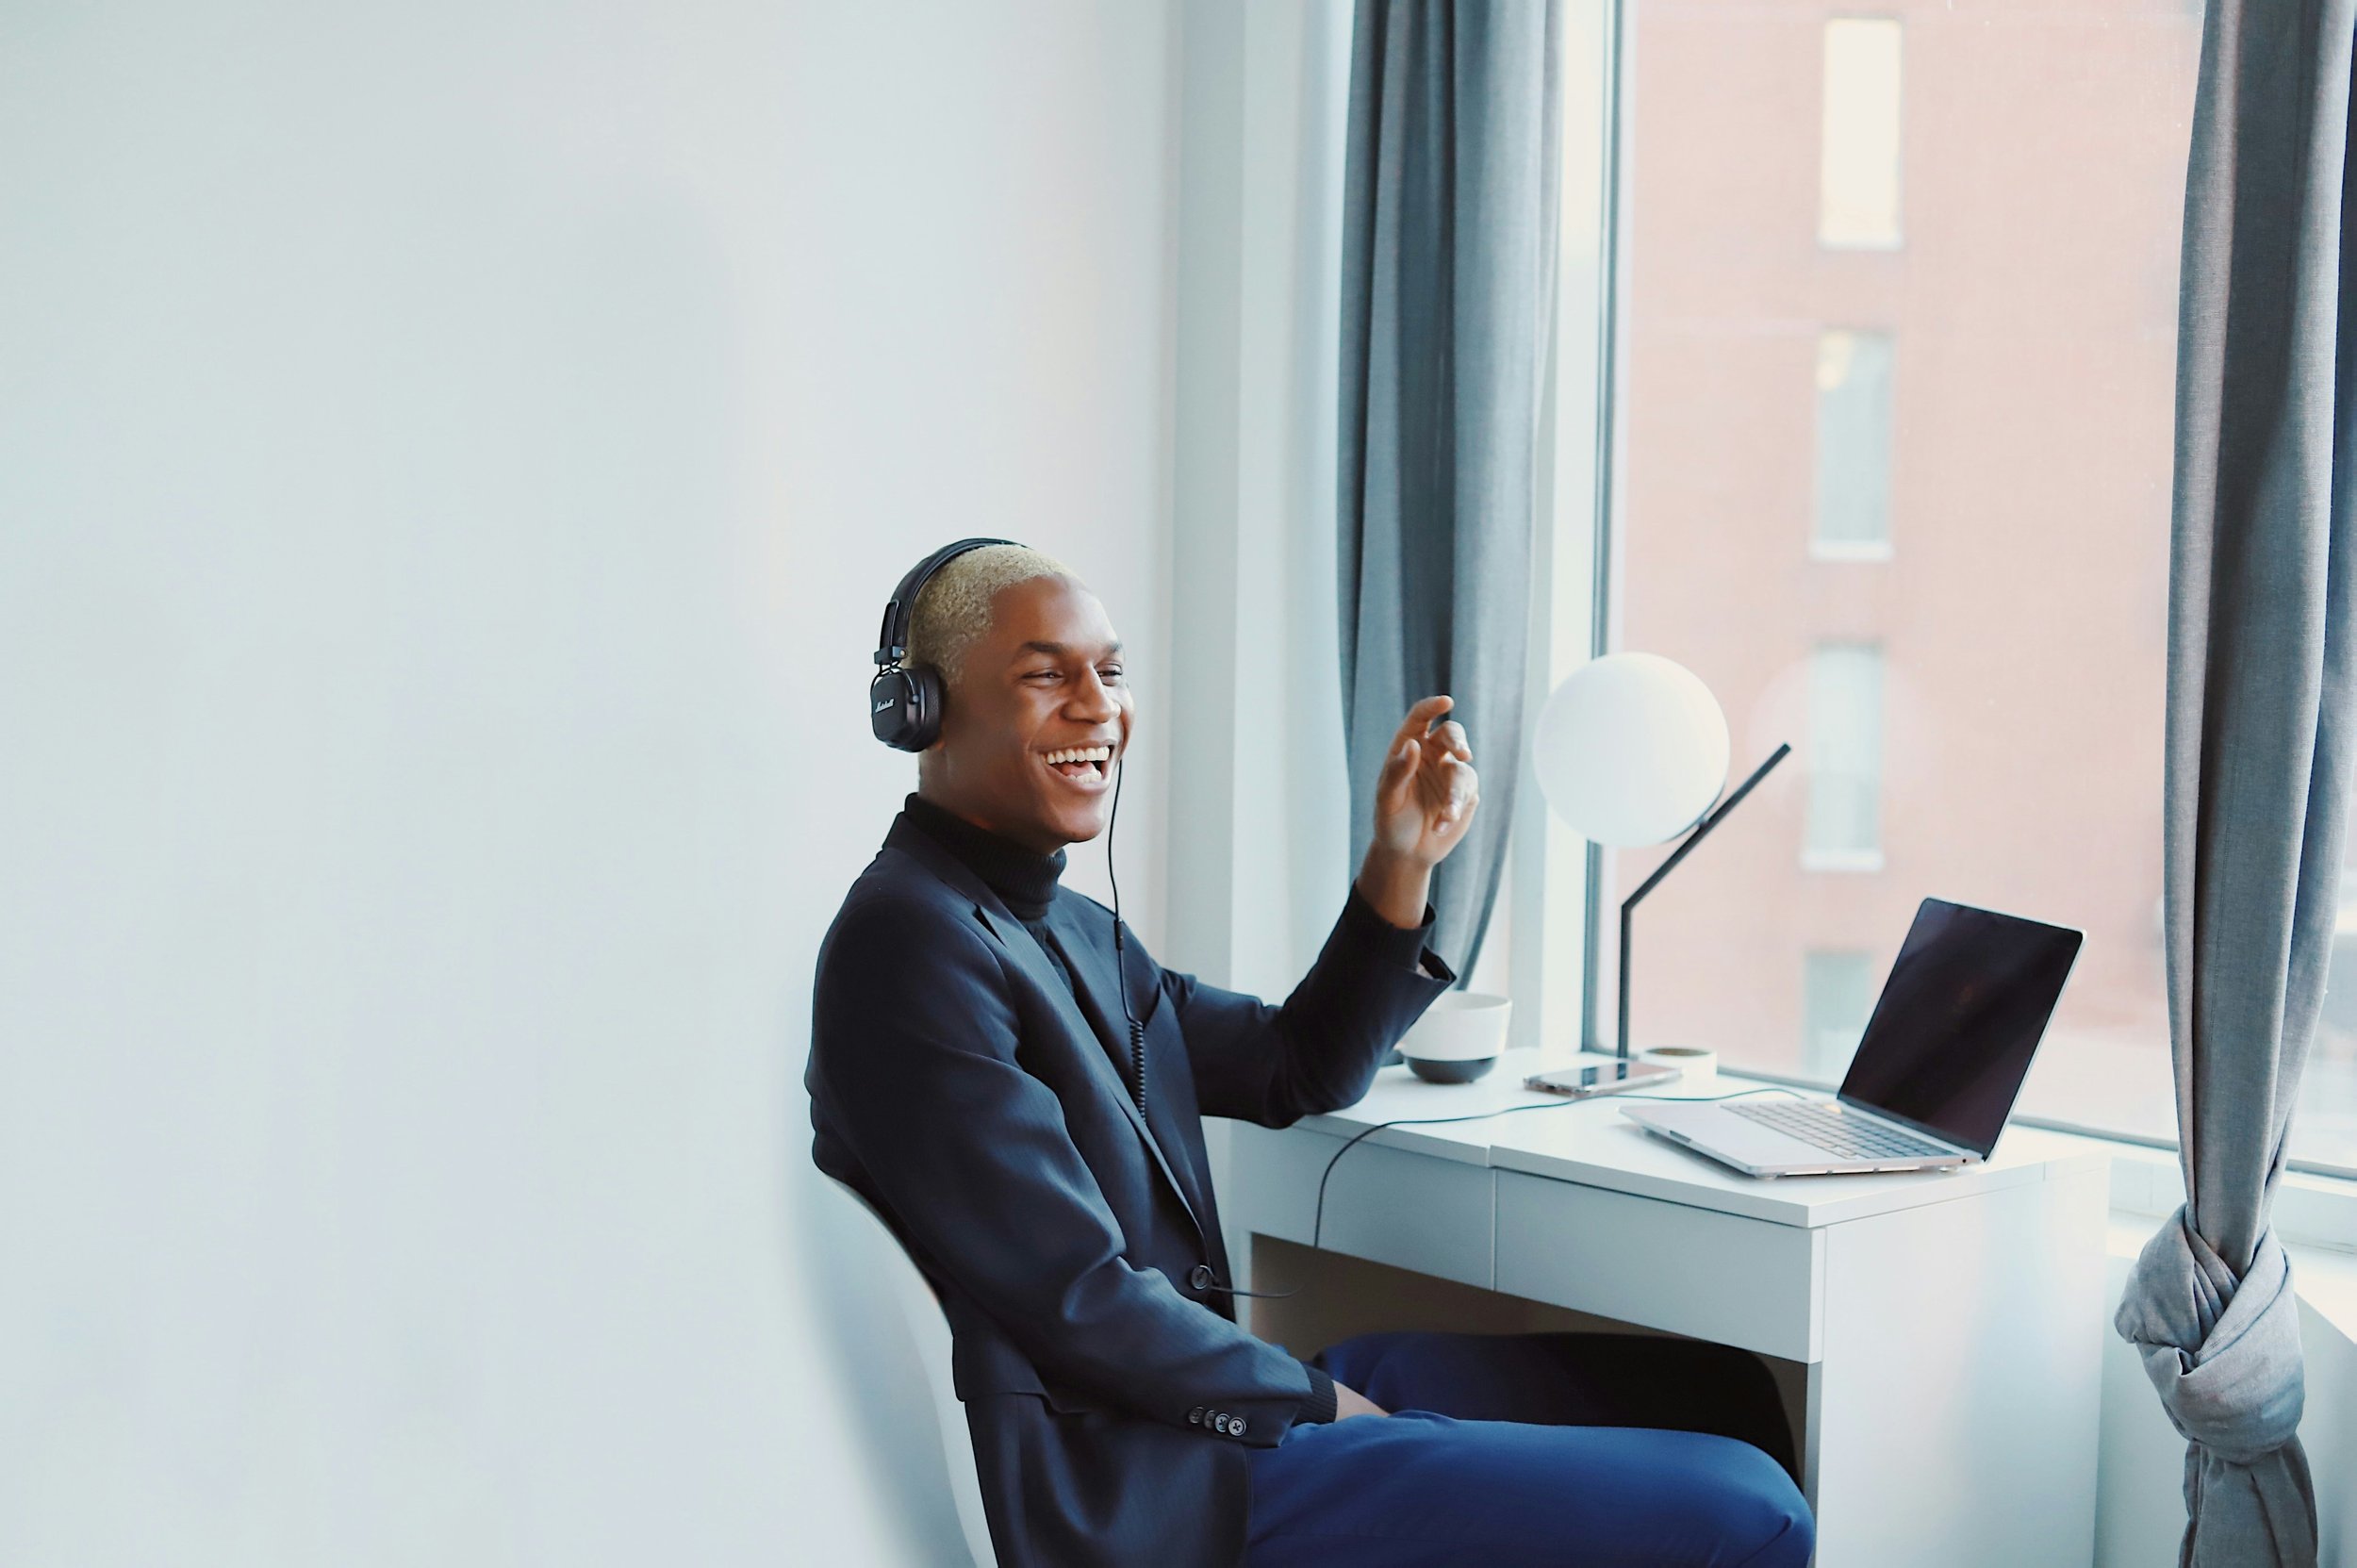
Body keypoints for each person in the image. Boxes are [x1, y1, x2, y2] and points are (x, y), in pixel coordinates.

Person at [807, 542, 1814, 1567]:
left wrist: (1399, 861)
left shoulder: (1063, 926)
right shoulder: (911, 944)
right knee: (1752, 1507)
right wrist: (1322, 1400)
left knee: (1721, 1387)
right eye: (1043, 673)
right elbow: (1080, 1299)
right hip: (1144, 1481)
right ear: (922, 710)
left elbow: (1295, 1065)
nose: (1097, 706)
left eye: (1108, 670)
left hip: (1185, 1406)